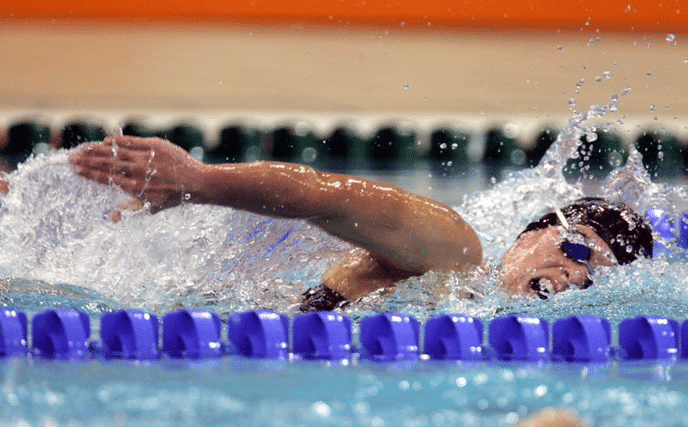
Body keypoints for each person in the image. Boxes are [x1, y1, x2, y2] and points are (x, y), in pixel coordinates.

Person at [69, 135, 653, 311]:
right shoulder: (454, 250)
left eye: (595, 277)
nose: (576, 277)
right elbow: (330, 198)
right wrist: (200, 181)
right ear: (531, 233)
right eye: (578, 250)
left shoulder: (476, 306)